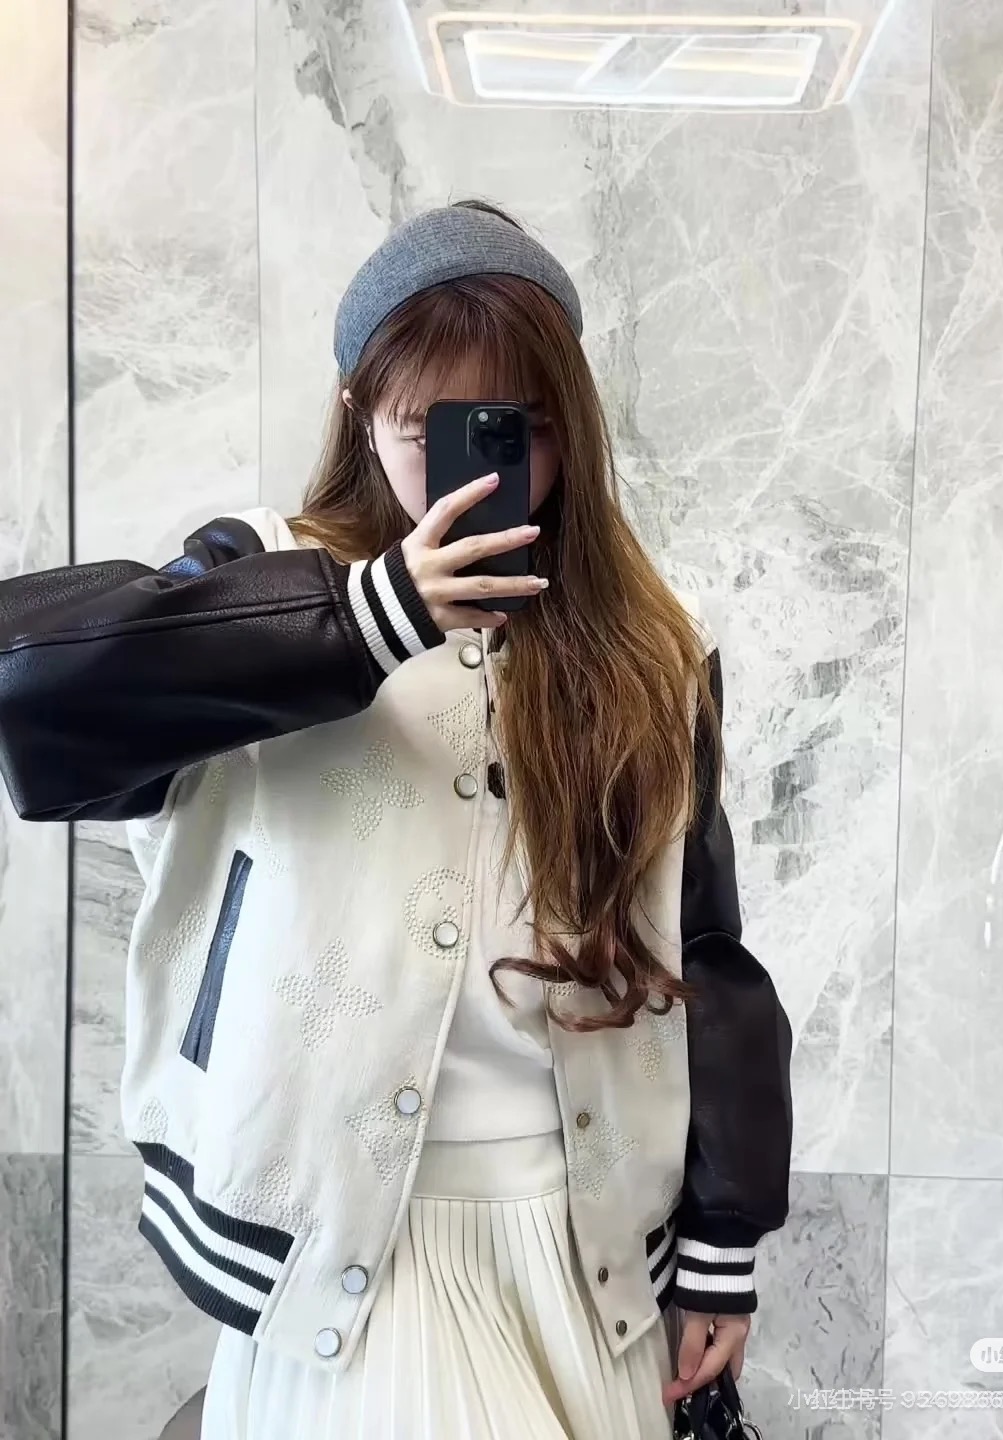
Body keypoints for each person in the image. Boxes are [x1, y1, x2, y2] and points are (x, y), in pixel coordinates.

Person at [0, 200, 793, 1440]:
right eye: (430, 429)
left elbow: (703, 954)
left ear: (571, 429)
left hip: (586, 1257)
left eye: (521, 428)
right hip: (342, 1255)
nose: (475, 468)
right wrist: (367, 618)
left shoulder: (651, 650)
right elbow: (35, 692)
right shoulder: (261, 578)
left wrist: (722, 1243)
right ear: (360, 414)